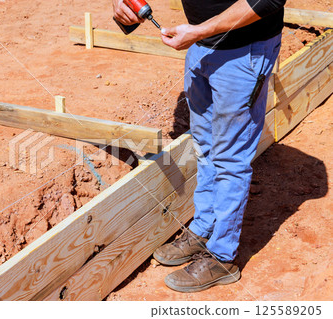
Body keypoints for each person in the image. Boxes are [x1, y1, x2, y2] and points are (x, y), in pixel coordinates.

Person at [112, 0, 286, 292]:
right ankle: (204, 229)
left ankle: (222, 256)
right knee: (204, 146)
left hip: (245, 53)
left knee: (230, 158)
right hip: (200, 46)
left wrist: (199, 30)